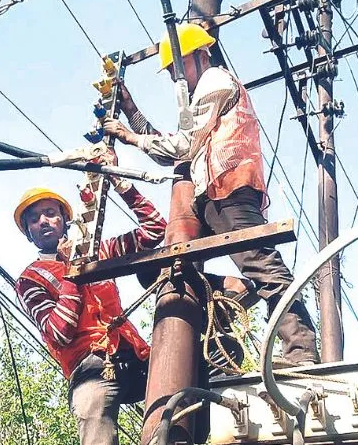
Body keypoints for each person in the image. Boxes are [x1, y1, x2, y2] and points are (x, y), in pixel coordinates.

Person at [102, 23, 318, 366]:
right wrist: (130, 110)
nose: (177, 76)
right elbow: (178, 149)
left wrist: (129, 137)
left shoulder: (215, 81)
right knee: (163, 269)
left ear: (201, 56)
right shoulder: (203, 91)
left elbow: (182, 146)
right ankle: (232, 290)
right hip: (211, 196)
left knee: (264, 267)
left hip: (230, 190)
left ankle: (301, 352)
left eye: (179, 65)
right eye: (172, 70)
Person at [13, 152, 166, 445]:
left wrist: (117, 179)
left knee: (183, 383)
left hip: (133, 354)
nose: (43, 221)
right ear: (29, 233)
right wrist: (73, 271)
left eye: (50, 213)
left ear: (64, 221)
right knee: (94, 418)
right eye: (34, 219)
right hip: (91, 367)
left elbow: (155, 229)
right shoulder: (31, 278)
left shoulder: (100, 252)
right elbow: (59, 331)